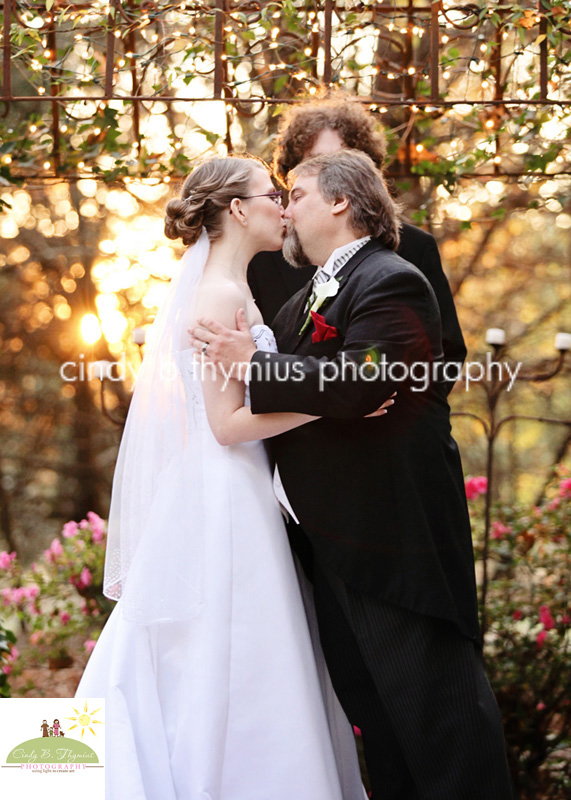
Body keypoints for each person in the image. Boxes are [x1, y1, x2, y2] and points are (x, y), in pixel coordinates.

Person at [191, 150, 516, 800]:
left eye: (299, 192)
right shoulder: (317, 289)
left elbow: (365, 380)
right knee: (386, 727)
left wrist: (252, 366)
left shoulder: (389, 279)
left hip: (394, 547)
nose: (287, 207)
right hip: (340, 543)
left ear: (341, 201)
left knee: (442, 727)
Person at [75, 156, 379, 800]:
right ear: (238, 210)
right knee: (233, 647)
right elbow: (227, 424)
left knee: (231, 654)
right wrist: (340, 399)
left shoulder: (229, 287)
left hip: (236, 487)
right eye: (273, 194)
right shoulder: (219, 294)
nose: (283, 206)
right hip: (225, 491)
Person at [247, 93, 466, 396]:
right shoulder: (263, 252)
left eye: (344, 159)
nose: (331, 170)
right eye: (315, 162)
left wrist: (382, 405)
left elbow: (444, 352)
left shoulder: (414, 248)